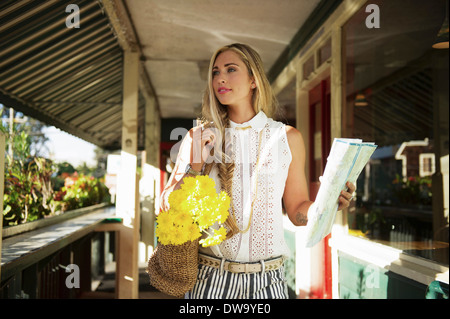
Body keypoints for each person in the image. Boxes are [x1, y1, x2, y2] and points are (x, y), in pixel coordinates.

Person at [160, 43, 355, 299]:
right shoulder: (199, 136)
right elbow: (166, 206)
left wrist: (326, 204)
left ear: (253, 80)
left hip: (268, 281)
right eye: (216, 72)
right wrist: (194, 166)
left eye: (231, 70)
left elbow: (297, 212)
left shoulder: (287, 138)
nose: (220, 78)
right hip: (210, 278)